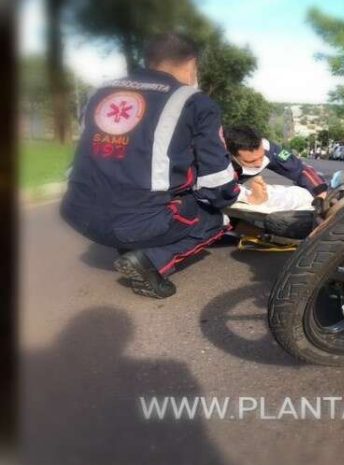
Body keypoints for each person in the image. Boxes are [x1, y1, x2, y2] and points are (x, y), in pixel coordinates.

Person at [61, 33, 266, 299]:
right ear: (191, 63)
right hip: (132, 225)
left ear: (149, 61)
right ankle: (153, 261)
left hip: (78, 213)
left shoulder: (101, 93)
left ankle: (132, 240)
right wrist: (241, 198)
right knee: (217, 218)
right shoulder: (195, 102)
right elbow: (217, 184)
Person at [223, 126, 327, 200]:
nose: (259, 164)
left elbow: (300, 168)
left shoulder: (273, 150)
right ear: (231, 155)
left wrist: (320, 191)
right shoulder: (215, 158)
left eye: (261, 156)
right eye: (250, 161)